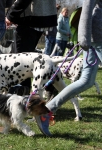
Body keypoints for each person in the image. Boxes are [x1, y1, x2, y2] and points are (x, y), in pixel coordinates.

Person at [35, 0, 102, 136]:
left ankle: (46, 111)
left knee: (86, 81)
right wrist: (83, 38)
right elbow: (87, 7)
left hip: (94, 36)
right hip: (98, 36)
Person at [6, 0, 58, 92]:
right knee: (24, 62)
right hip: (40, 17)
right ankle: (49, 88)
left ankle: (23, 99)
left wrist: (11, 15)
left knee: (20, 64)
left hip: (29, 20)